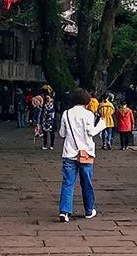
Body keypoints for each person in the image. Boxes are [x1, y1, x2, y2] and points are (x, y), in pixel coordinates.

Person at [57, 87, 105, 222]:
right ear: (87, 100)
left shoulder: (66, 114)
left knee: (68, 182)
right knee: (86, 183)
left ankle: (64, 211)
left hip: (69, 152)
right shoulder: (89, 114)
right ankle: (89, 210)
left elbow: (62, 134)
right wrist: (101, 125)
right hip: (86, 153)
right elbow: (91, 132)